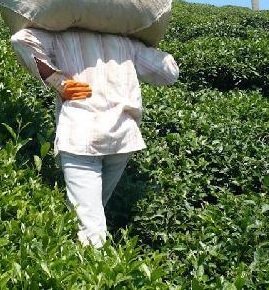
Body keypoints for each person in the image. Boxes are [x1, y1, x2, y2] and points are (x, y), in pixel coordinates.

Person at [10, 27, 179, 247]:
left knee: (89, 223)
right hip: (121, 137)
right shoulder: (127, 43)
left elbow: (21, 39)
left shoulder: (61, 36)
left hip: (80, 135)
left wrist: (57, 81)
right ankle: (83, 262)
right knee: (95, 210)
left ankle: (89, 273)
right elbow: (169, 73)